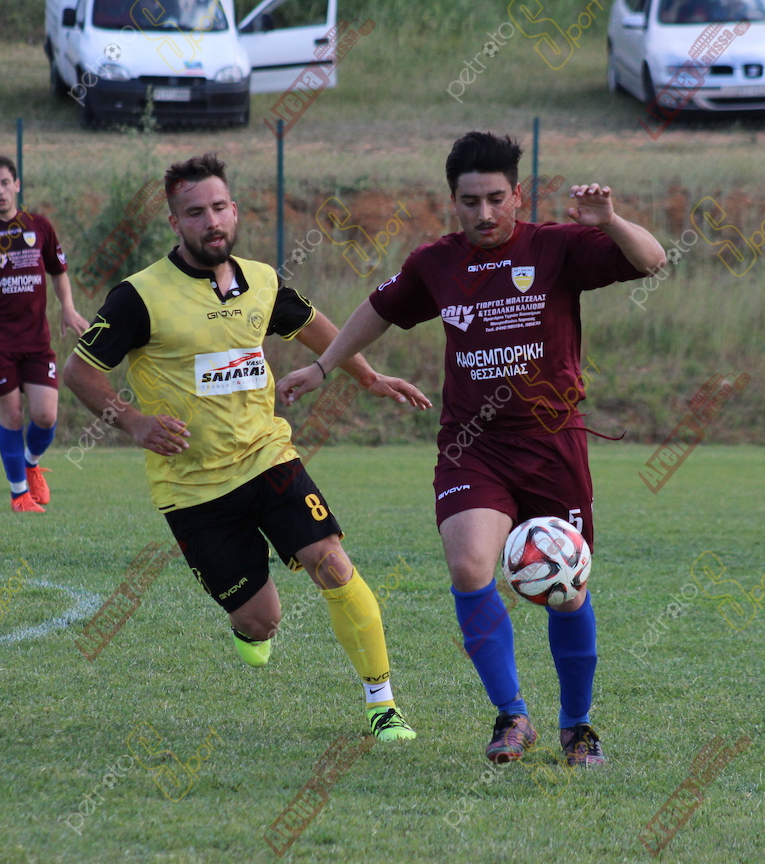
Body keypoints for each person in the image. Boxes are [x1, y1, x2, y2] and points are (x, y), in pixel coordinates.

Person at [277, 131, 665, 766]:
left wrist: (611, 221)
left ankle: (577, 726)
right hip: (473, 445)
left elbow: (650, 261)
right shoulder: (437, 262)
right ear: (452, 201)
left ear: (517, 196)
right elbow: (378, 309)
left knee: (567, 589)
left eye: (495, 199)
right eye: (469, 201)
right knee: (468, 567)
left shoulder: (557, 246)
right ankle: (512, 715)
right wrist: (323, 367)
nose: (483, 214)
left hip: (553, 445)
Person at [62, 152, 428, 740]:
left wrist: (367, 377)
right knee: (262, 621)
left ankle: (382, 705)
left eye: (218, 208)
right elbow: (79, 372)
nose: (211, 222)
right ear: (175, 222)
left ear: (234, 210)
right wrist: (133, 422)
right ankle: (248, 626)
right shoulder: (139, 296)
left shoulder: (262, 281)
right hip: (193, 487)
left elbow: (316, 327)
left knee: (332, 564)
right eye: (195, 213)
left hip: (268, 458)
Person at [0, 155, 88, 513]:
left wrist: (68, 308)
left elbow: (58, 271)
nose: (0, 191)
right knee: (11, 417)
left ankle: (30, 462)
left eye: (5, 183)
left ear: (17, 185)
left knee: (46, 416)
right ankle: (19, 496)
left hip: (36, 340)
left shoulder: (39, 226)